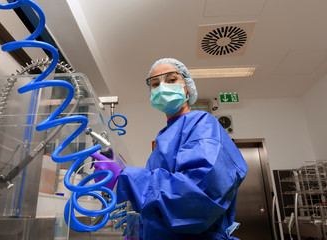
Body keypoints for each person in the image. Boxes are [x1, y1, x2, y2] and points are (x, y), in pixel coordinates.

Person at [95, 58, 248, 240]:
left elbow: (196, 196)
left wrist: (125, 179)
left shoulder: (202, 123)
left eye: (171, 80)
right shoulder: (163, 138)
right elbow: (158, 205)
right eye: (155, 83)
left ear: (187, 87)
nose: (162, 87)